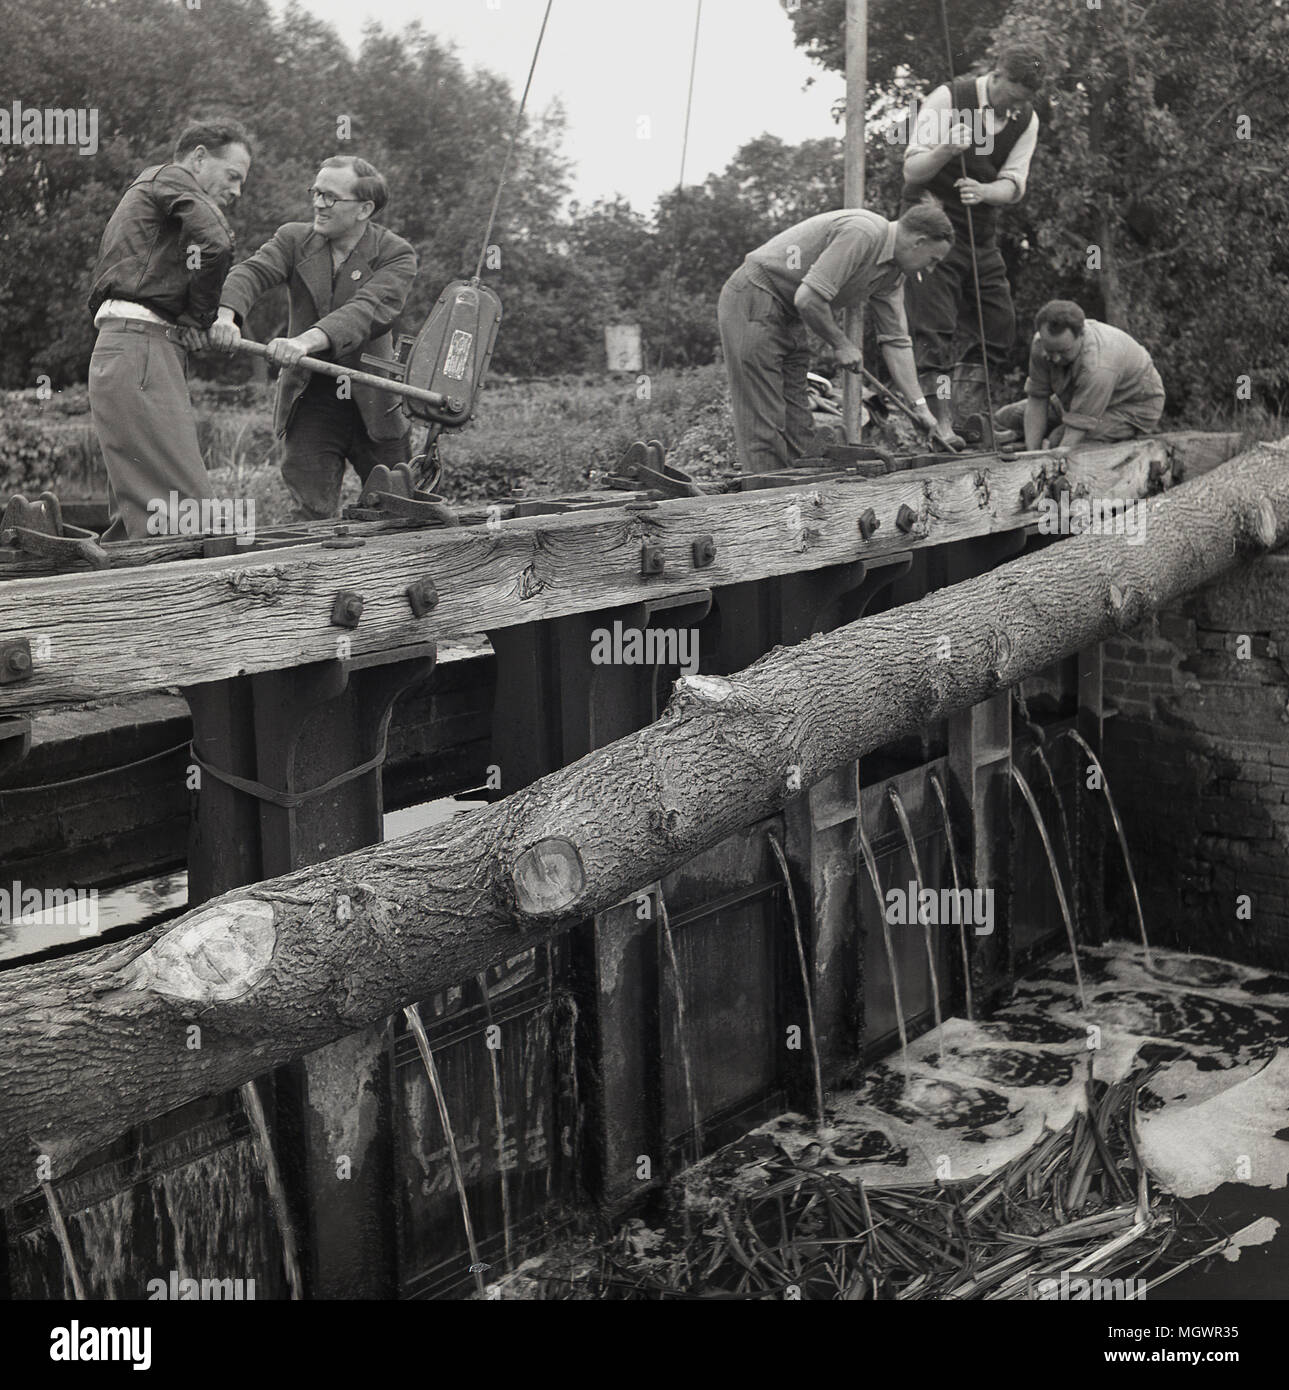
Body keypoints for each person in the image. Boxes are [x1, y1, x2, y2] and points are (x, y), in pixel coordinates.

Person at [210, 156, 417, 520]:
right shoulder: (294, 239)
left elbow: (364, 311)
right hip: (311, 398)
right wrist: (226, 316)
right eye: (316, 192)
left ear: (364, 209)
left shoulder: (396, 254)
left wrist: (302, 343)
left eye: (331, 197)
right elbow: (251, 274)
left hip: (374, 400)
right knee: (311, 516)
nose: (318, 204)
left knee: (401, 513)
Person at [87, 117, 252, 541]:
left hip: (130, 346)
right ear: (198, 157)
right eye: (232, 175)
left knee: (140, 511)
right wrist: (199, 319)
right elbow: (216, 243)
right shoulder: (171, 178)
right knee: (189, 516)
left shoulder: (150, 194)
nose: (237, 191)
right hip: (141, 348)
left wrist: (191, 320)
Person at [717, 200, 958, 474]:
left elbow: (896, 341)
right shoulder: (864, 232)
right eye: (932, 260)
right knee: (765, 423)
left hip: (789, 313)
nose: (929, 270)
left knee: (799, 427)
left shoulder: (893, 275)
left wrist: (920, 408)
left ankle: (807, 501)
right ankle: (766, 504)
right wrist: (842, 344)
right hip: (755, 295)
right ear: (919, 242)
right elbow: (808, 299)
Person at [900, 43, 1045, 432]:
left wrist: (984, 192)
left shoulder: (1026, 119)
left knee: (999, 322)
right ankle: (940, 424)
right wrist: (946, 149)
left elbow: (1014, 184)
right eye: (1009, 98)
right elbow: (912, 170)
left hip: (979, 233)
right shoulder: (950, 98)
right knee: (934, 328)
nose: (1012, 109)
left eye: (1022, 103)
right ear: (997, 76)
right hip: (931, 228)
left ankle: (966, 417)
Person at [995, 300, 1166, 449]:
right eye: (1049, 350)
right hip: (1077, 397)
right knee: (1007, 416)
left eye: (1062, 351)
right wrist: (1031, 451)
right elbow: (1037, 398)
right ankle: (1016, 436)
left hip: (1130, 407)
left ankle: (1024, 437)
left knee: (1056, 440)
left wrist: (1048, 461)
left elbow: (1073, 434)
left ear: (1081, 335)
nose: (1054, 358)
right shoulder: (1041, 344)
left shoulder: (1099, 366)